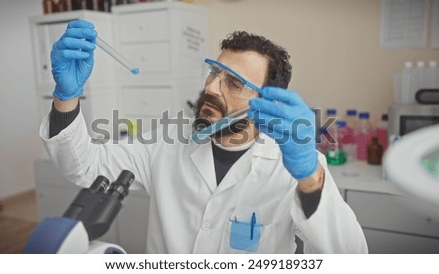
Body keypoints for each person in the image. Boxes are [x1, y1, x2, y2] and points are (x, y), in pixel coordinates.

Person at [40, 20, 368, 253]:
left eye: (233, 83)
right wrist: (66, 96)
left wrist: (310, 178)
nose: (211, 87)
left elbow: (348, 256)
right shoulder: (164, 144)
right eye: (214, 72)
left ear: (266, 102)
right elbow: (82, 167)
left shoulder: (298, 167)